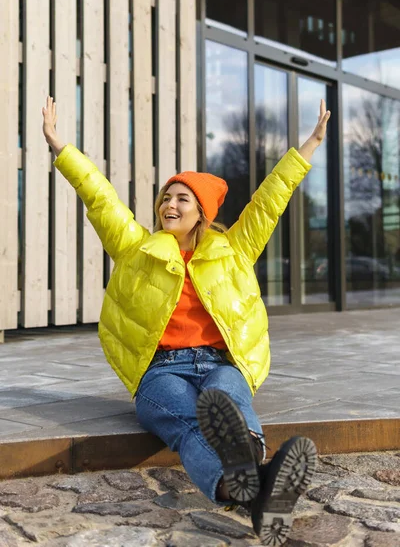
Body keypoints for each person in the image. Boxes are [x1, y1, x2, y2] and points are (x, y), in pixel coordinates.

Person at [42, 96, 330, 546]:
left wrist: (309, 145)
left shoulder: (233, 249)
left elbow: (271, 200)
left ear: (202, 213)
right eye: (166, 198)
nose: (169, 205)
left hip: (220, 363)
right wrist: (62, 148)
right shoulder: (136, 248)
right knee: (197, 422)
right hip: (160, 371)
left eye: (182, 199)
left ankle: (245, 492)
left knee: (224, 403)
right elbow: (100, 198)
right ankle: (262, 485)